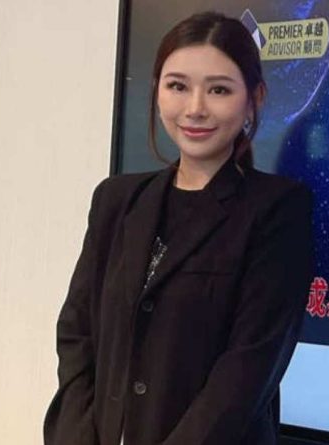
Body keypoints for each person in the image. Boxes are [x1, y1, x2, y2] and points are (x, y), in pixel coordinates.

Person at [43, 12, 313, 445]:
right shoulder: (116, 201)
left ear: (254, 99)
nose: (195, 108)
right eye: (177, 86)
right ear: (157, 91)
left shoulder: (278, 210)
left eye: (219, 90)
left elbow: (247, 370)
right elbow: (77, 335)